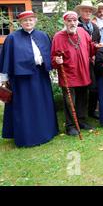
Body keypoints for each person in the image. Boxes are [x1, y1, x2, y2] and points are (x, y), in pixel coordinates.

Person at [0, 11, 58, 147]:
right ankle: (27, 136)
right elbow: (6, 58)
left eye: (31, 20)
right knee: (24, 107)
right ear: (20, 23)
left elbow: (49, 54)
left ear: (35, 21)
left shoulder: (43, 36)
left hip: (40, 76)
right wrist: (4, 78)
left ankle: (46, 132)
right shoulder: (12, 38)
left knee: (42, 105)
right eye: (25, 21)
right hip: (21, 79)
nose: (28, 23)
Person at [51, 11, 96, 136]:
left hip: (83, 72)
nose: (72, 23)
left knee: (82, 98)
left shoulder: (82, 32)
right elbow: (53, 57)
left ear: (77, 21)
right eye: (69, 21)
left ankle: (81, 120)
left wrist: (97, 48)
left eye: (74, 20)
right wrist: (56, 60)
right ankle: (70, 126)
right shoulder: (58, 37)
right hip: (69, 74)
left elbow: (90, 47)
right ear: (65, 22)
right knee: (69, 101)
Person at [75, 0, 102, 119]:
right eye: (85, 10)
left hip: (92, 61)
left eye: (89, 11)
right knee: (81, 89)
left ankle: (91, 111)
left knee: (94, 87)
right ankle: (80, 114)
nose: (87, 12)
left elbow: (97, 42)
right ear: (80, 11)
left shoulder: (95, 27)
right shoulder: (75, 26)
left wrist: (95, 54)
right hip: (79, 61)